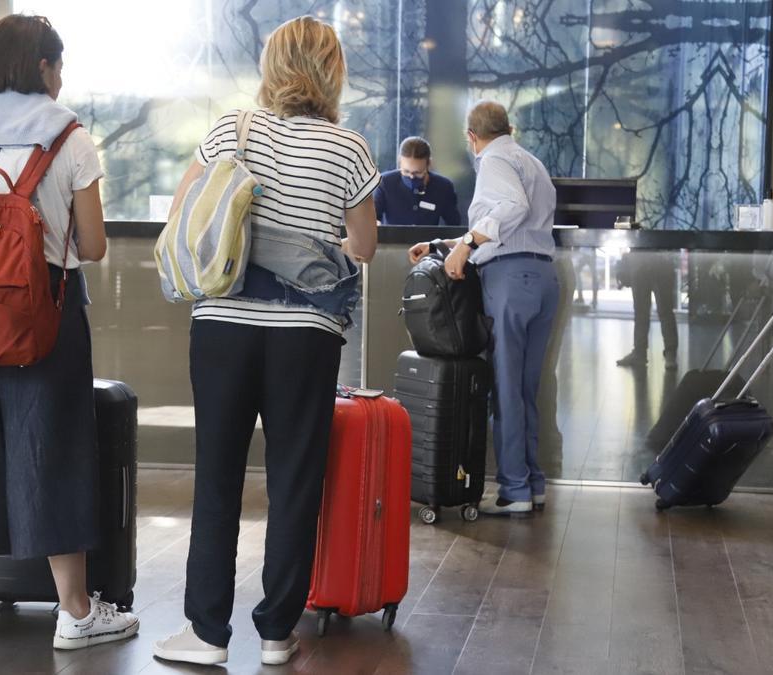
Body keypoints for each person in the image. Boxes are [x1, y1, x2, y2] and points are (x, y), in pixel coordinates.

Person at [153, 16, 378, 667]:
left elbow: (184, 215)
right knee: (295, 480)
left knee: (217, 476)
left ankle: (206, 633)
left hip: (222, 325)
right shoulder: (350, 148)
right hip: (304, 337)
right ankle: (278, 632)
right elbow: (362, 247)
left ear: (271, 66)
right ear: (331, 72)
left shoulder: (231, 128)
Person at [0, 14, 138, 649]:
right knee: (52, 446)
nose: (62, 77)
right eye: (58, 64)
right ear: (40, 67)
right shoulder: (70, 138)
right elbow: (92, 246)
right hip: (44, 312)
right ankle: (74, 612)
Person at [409, 101, 558, 516]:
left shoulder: (493, 160)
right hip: (543, 279)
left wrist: (469, 246)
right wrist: (446, 246)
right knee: (525, 389)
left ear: (471, 137)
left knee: (506, 387)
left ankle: (514, 490)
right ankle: (533, 482)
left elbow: (510, 210)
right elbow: (508, 221)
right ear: (507, 127)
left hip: (510, 280)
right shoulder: (530, 161)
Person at [615, 250, 680, 371]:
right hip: (660, 259)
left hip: (641, 260)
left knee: (642, 312)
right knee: (665, 311)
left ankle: (640, 353)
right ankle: (670, 354)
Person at [374, 136, 461, 225]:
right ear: (400, 162)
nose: (411, 177)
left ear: (428, 164)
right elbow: (372, 218)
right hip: (392, 238)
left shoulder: (443, 187)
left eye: (417, 173)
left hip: (429, 238)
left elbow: (453, 225)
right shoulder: (385, 183)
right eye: (406, 171)